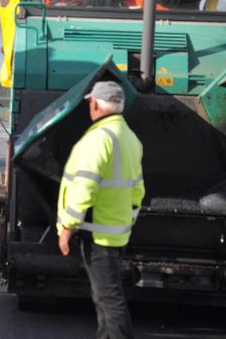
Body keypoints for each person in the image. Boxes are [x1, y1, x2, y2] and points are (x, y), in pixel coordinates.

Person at [57, 81, 145, 339]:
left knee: (109, 300)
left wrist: (68, 227)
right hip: (115, 231)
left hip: (97, 234)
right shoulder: (130, 138)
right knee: (104, 297)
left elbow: (85, 187)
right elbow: (138, 190)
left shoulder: (97, 139)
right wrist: (126, 221)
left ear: (96, 104)